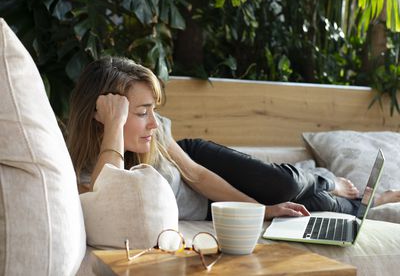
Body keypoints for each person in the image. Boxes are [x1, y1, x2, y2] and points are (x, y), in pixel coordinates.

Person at [67, 56, 399, 220]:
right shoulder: (84, 174)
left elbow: (195, 175)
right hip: (210, 208)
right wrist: (114, 126)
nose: (155, 123)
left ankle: (328, 180)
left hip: (199, 161)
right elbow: (110, 202)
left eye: (153, 109)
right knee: (308, 210)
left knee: (281, 187)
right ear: (103, 112)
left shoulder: (158, 135)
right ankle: (371, 202)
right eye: (141, 113)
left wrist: (261, 210)